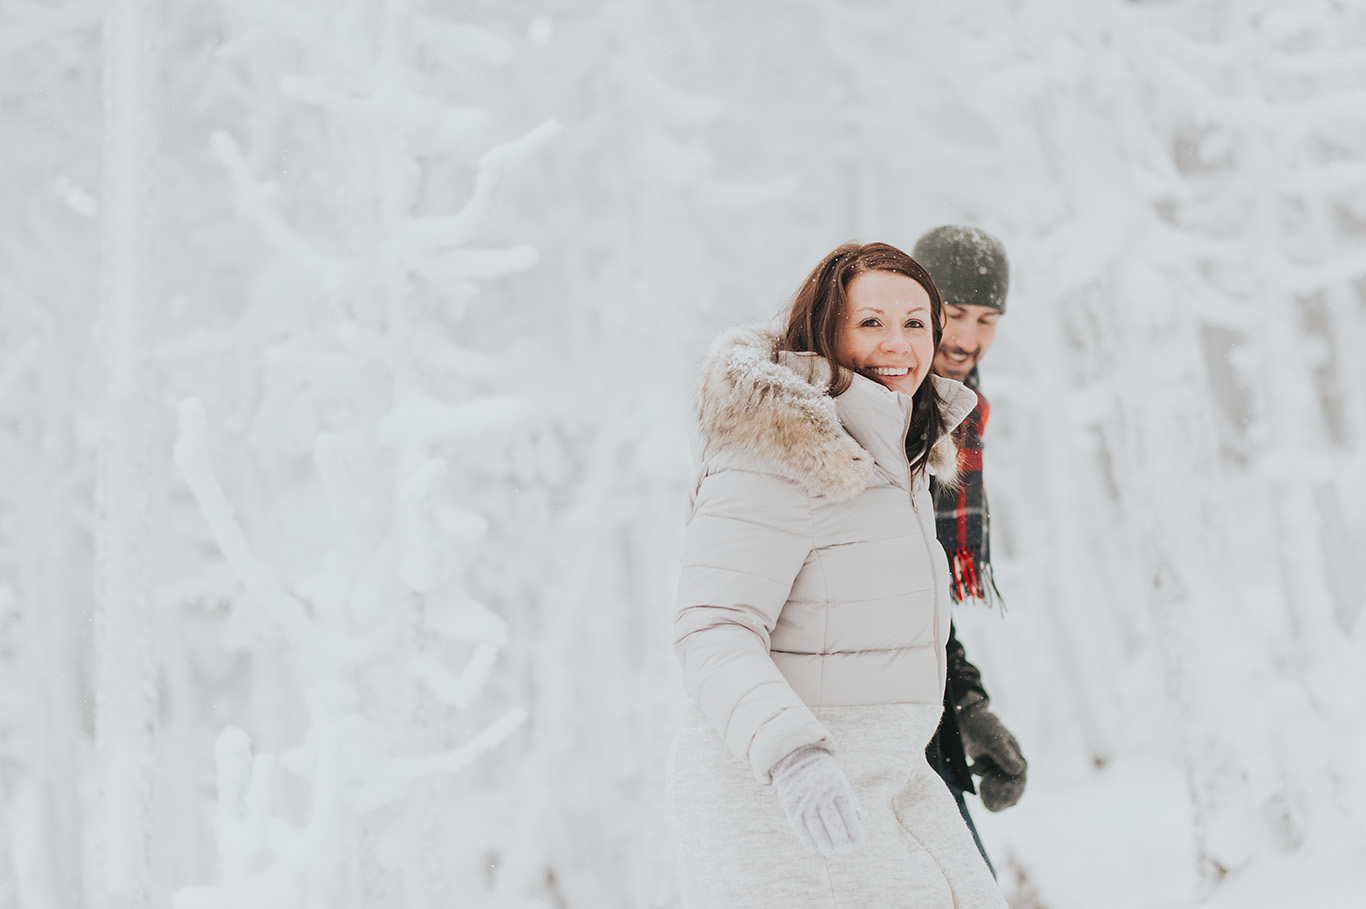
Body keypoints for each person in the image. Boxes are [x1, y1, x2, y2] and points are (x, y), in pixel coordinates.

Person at [668, 241, 1008, 908]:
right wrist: (793, 754)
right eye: (871, 321)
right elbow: (714, 626)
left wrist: (966, 705)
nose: (899, 342)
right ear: (828, 328)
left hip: (896, 774)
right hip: (787, 790)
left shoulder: (903, 450)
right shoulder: (778, 445)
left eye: (916, 323)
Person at [913, 225, 1028, 873]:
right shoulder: (884, 409)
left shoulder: (958, 414)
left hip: (920, 705)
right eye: (954, 314)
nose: (968, 338)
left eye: (987, 319)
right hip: (861, 721)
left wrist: (967, 706)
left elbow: (920, 588)